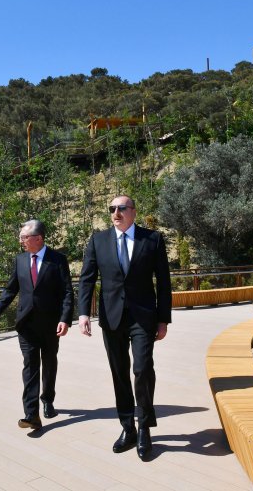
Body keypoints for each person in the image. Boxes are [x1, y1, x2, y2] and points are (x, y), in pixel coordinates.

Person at [77, 195, 171, 460]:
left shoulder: (152, 239)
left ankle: (144, 428)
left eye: (121, 208)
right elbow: (86, 279)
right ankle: (128, 427)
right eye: (112, 209)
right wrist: (83, 313)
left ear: (133, 211)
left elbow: (164, 282)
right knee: (119, 373)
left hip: (143, 317)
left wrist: (163, 319)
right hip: (112, 318)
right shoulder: (98, 241)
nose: (115, 213)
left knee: (142, 369)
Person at [0, 219, 74, 430]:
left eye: (24, 237)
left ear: (38, 238)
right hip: (26, 324)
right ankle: (31, 414)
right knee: (30, 366)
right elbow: (10, 289)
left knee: (49, 363)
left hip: (51, 324)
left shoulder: (58, 260)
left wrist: (64, 319)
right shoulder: (20, 260)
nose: (21, 241)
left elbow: (67, 292)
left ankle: (48, 399)